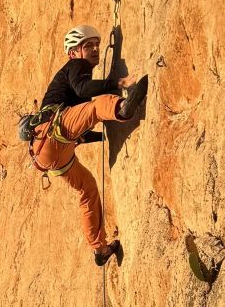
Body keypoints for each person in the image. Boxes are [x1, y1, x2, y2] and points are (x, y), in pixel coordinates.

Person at [32, 25, 148, 266]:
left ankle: (100, 248)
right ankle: (122, 109)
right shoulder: (76, 66)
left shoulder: (76, 73)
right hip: (54, 131)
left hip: (49, 154)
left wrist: (104, 138)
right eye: (88, 46)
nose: (95, 49)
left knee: (88, 190)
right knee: (97, 107)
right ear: (74, 52)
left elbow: (80, 131)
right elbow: (83, 90)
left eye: (96, 45)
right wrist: (119, 82)